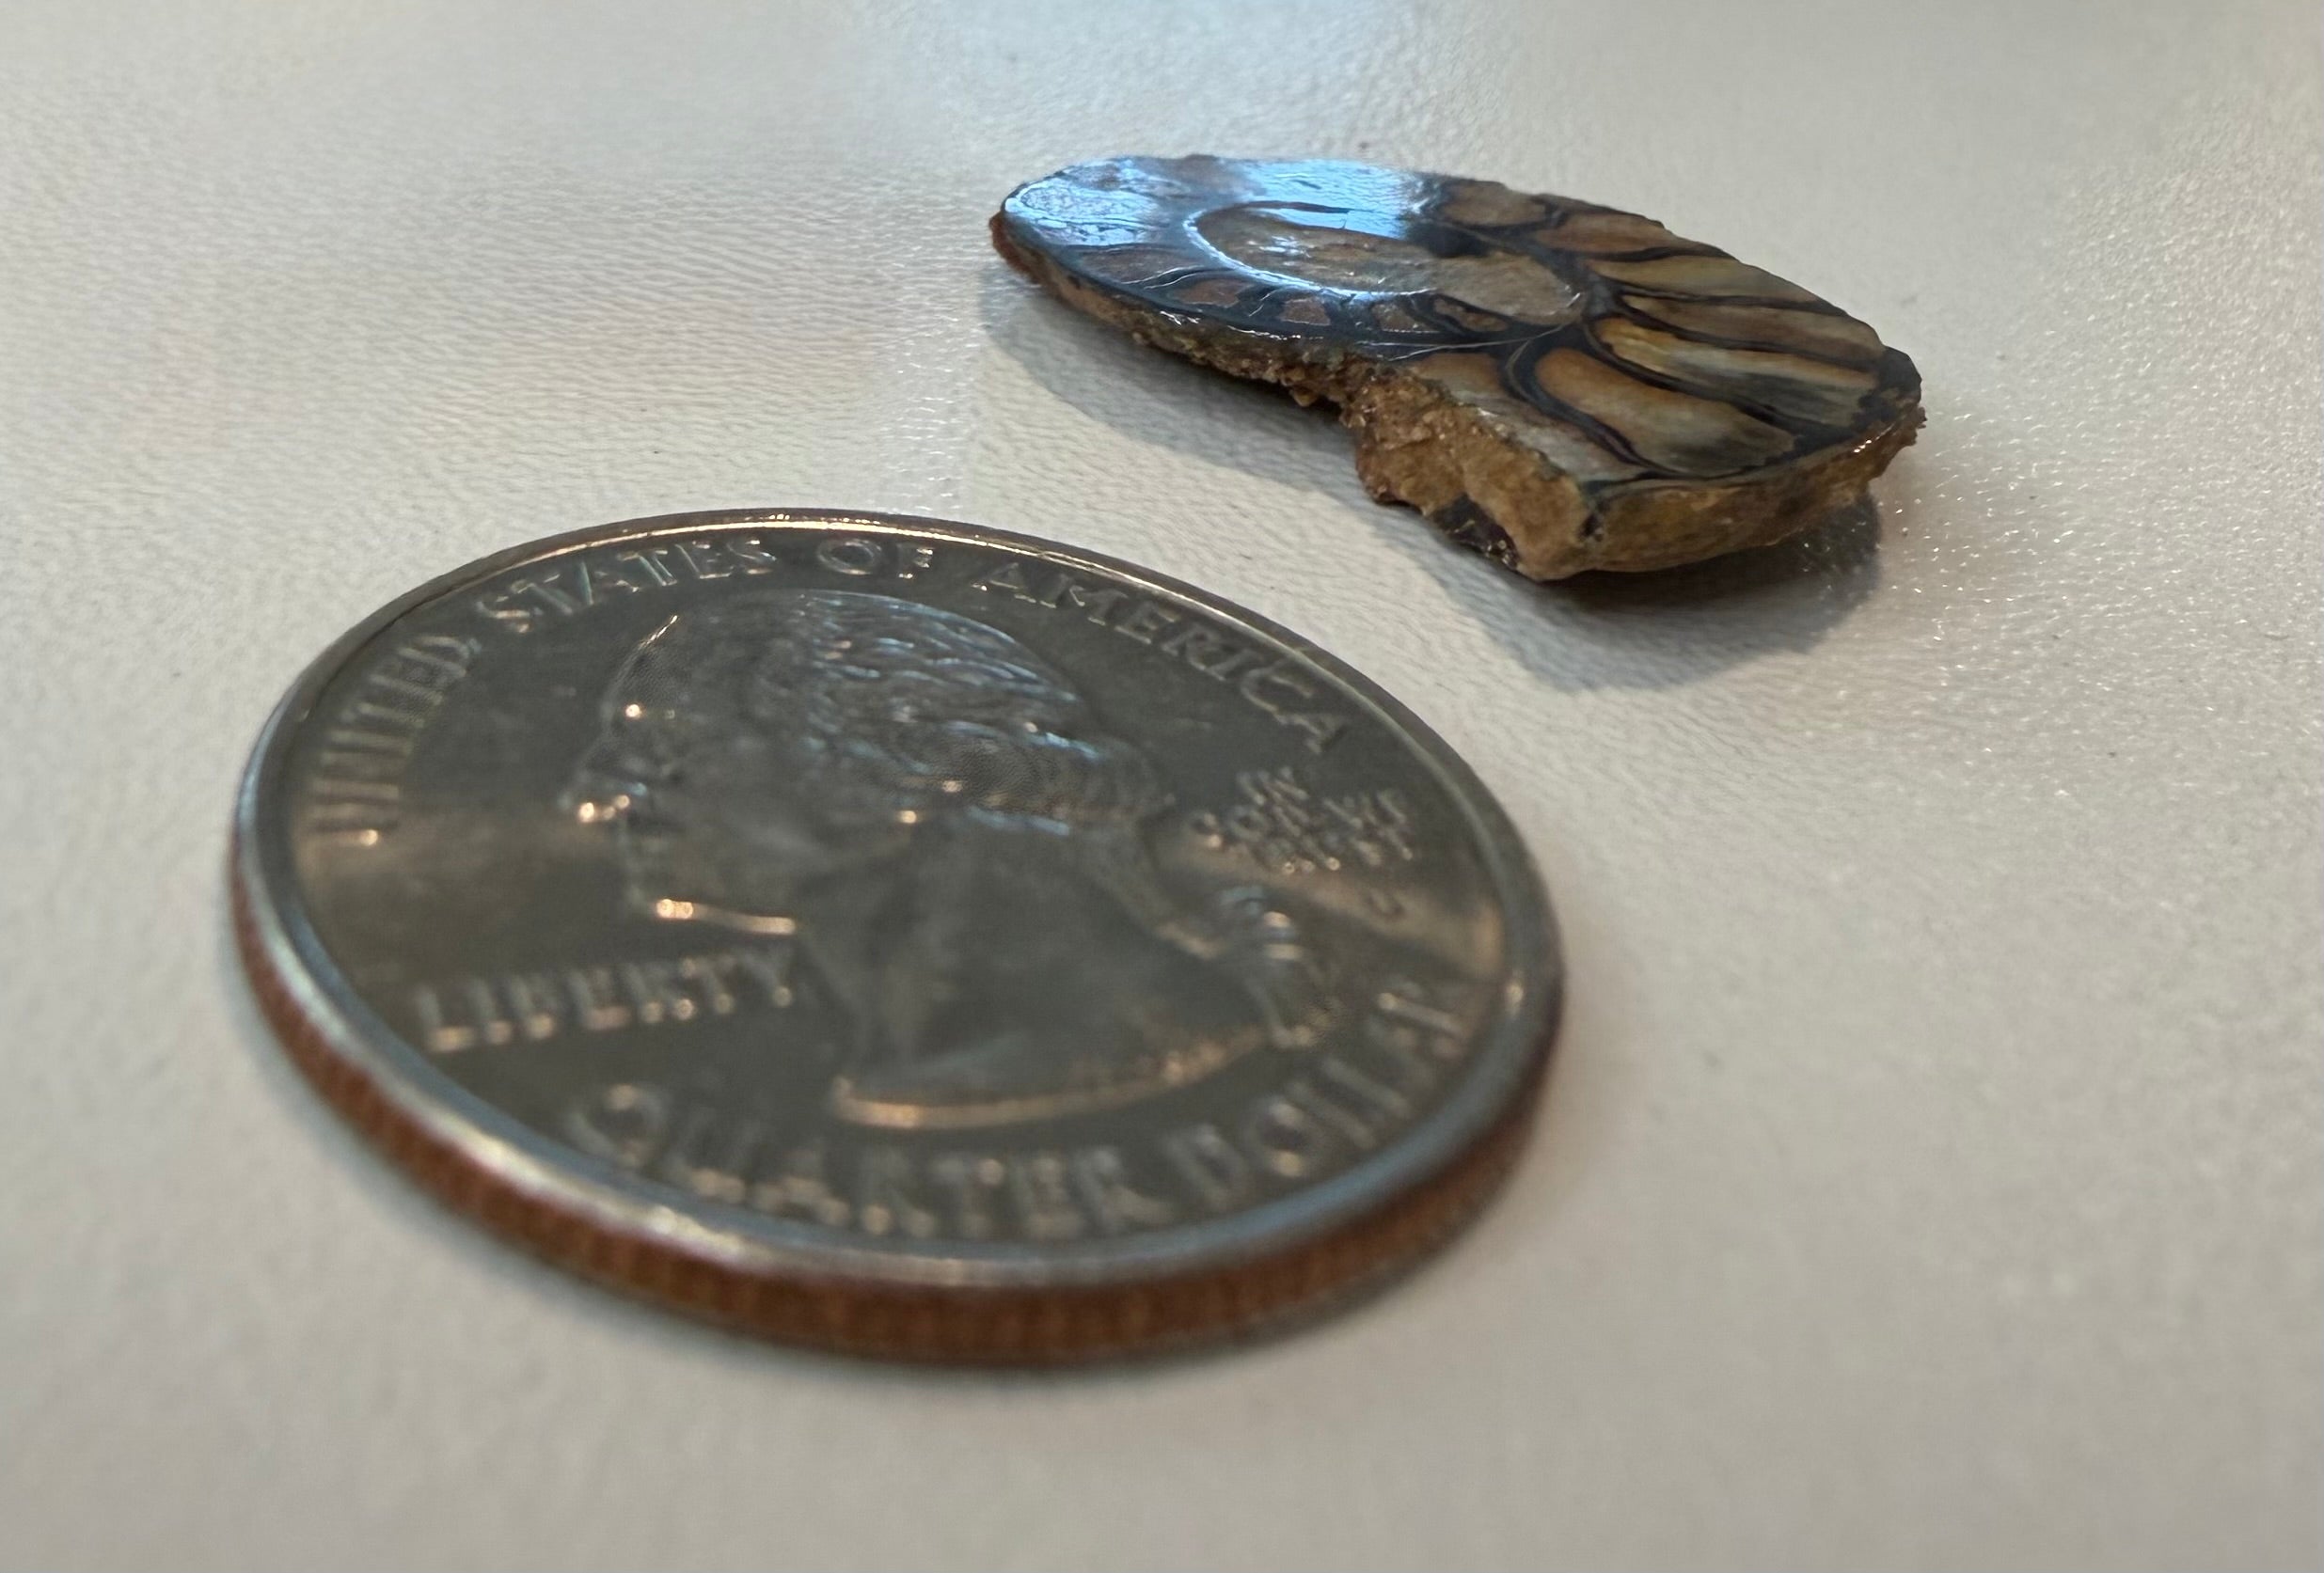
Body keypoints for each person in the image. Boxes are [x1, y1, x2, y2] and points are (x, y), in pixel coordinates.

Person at [561, 588, 1324, 1130]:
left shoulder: (1126, 1040)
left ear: (912, 762)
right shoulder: (941, 1058)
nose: (595, 796)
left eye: (667, 744)